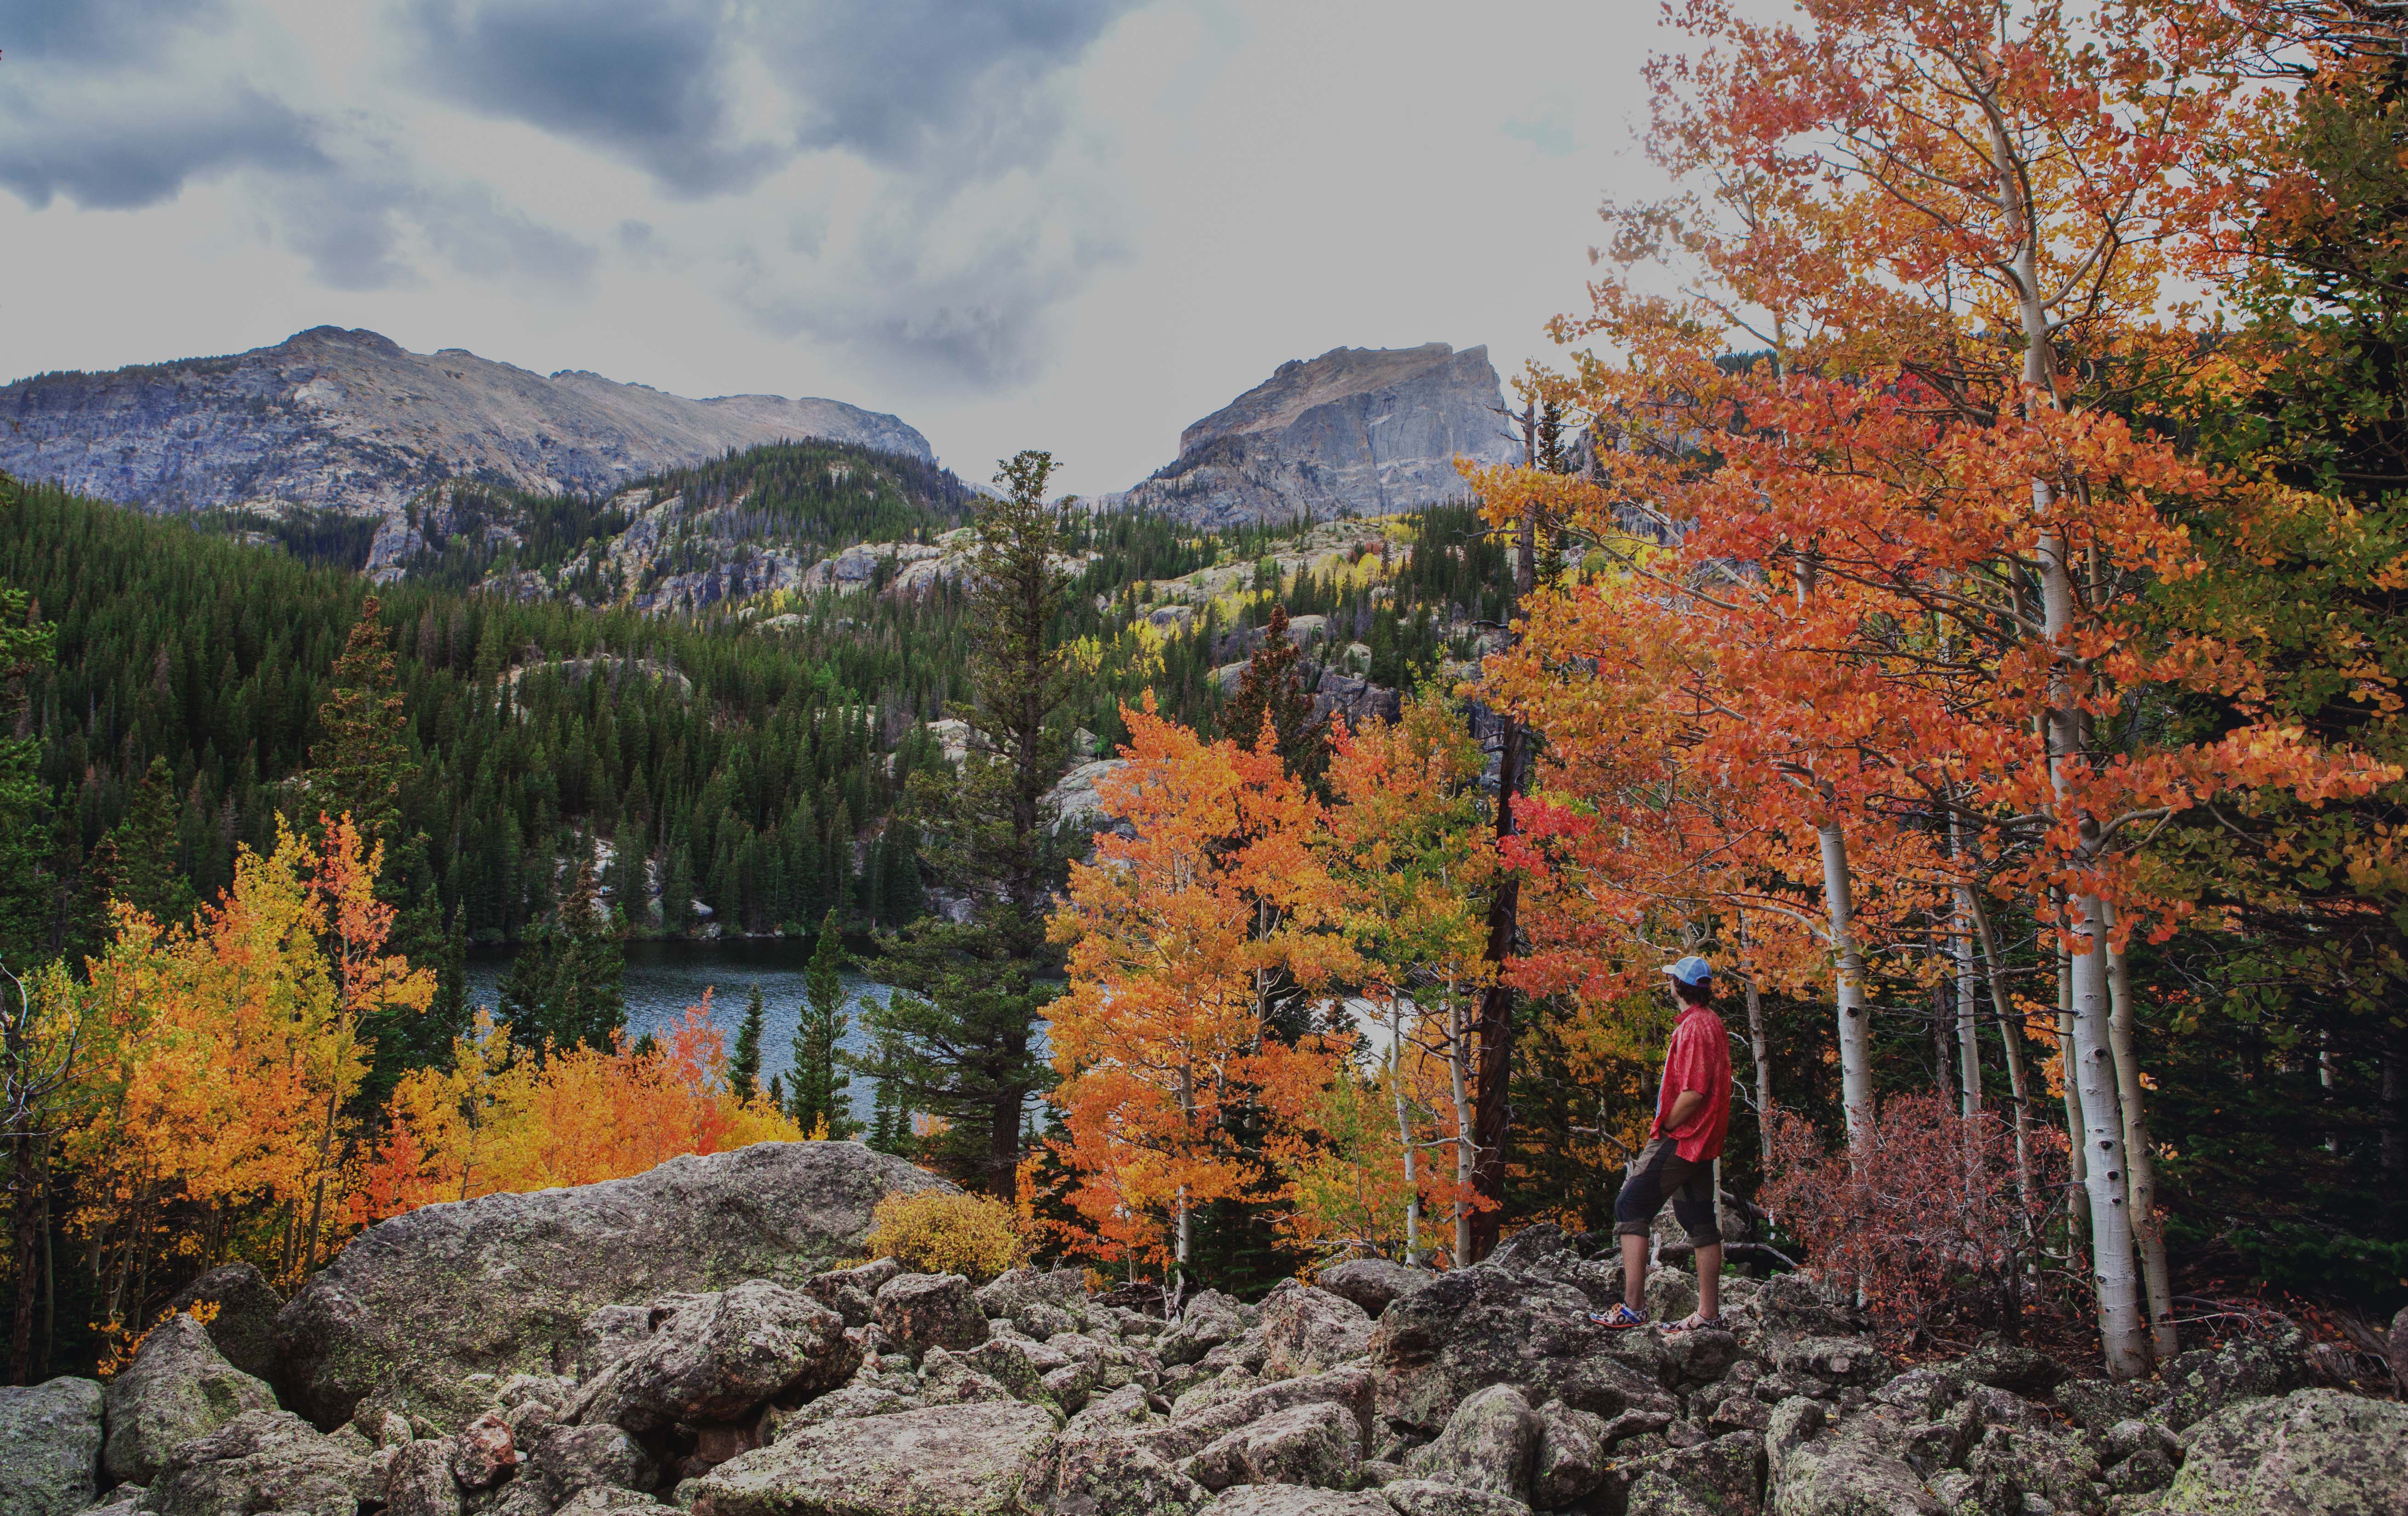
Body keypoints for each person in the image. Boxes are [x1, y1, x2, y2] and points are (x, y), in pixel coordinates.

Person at [1592, 954, 1732, 1333]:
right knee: (1699, 1221)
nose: (1667, 983)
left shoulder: (1693, 1029)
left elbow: (1693, 1092)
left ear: (1678, 987)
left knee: (1630, 1207)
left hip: (1684, 1137)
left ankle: (1634, 1308)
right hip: (1703, 1141)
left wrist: (1665, 1124)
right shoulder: (1712, 1023)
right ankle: (1707, 1315)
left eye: (1671, 979)